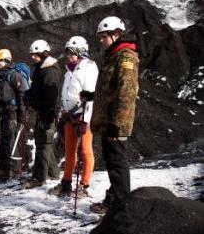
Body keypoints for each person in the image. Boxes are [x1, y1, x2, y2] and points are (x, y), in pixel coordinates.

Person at [90, 16, 139, 213]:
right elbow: (109, 90)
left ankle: (121, 204)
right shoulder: (113, 55)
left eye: (104, 36)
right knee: (112, 161)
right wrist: (91, 96)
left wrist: (116, 124)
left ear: (116, 34)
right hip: (108, 119)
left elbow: (126, 92)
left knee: (118, 162)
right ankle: (115, 198)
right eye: (100, 36)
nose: (101, 40)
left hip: (115, 122)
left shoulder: (125, 56)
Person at [49, 36, 98, 197]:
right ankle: (66, 183)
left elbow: (89, 96)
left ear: (81, 52)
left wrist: (85, 120)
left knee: (85, 150)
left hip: (82, 114)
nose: (70, 55)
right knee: (70, 151)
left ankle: (84, 185)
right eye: (68, 52)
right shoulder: (69, 70)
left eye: (73, 52)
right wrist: (63, 111)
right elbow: (66, 92)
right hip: (69, 115)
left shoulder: (89, 67)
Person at [23, 39, 62, 189]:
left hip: (47, 113)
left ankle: (39, 178)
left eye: (35, 55)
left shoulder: (50, 71)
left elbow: (50, 96)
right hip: (43, 111)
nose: (33, 57)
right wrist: (29, 95)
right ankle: (53, 172)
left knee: (43, 143)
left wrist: (47, 115)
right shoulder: (42, 69)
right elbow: (38, 91)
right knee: (44, 142)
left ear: (43, 53)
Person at [0, 49, 27, 179]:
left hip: (12, 113)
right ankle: (5, 168)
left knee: (11, 140)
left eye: (0, 61)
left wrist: (22, 115)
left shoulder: (14, 75)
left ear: (6, 60)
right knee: (4, 141)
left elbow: (21, 96)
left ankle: (15, 170)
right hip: (3, 112)